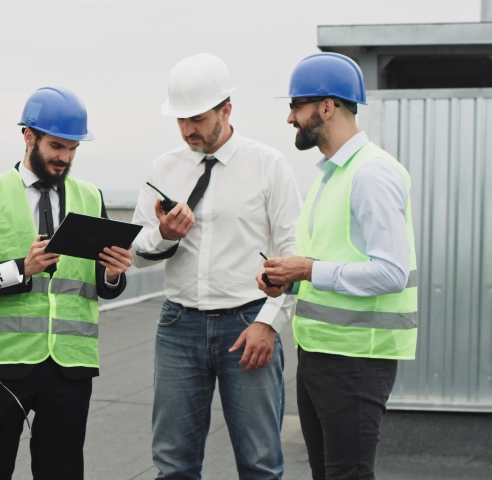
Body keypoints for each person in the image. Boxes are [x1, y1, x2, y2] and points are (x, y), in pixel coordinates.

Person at [0, 86, 133, 480]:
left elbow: (100, 283)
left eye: (73, 149)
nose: (65, 157)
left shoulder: (91, 196)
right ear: (28, 136)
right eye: (56, 146)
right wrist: (22, 268)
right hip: (5, 362)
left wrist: (114, 274)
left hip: (71, 365)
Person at [131, 53, 301, 479]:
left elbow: (292, 255)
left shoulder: (269, 166)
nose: (189, 130)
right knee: (172, 464)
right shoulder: (163, 168)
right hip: (178, 326)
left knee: (260, 463)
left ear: (226, 109)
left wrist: (269, 323)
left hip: (248, 323)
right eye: (181, 120)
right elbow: (134, 250)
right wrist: (163, 236)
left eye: (198, 119)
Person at [263, 52, 418, 480]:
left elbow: (390, 272)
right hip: (320, 355)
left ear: (326, 107)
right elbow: (330, 263)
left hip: (356, 361)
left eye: (297, 106)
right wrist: (287, 281)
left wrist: (306, 270)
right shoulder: (331, 176)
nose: (291, 117)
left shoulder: (371, 174)